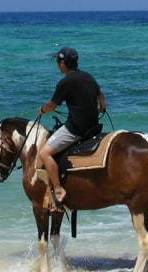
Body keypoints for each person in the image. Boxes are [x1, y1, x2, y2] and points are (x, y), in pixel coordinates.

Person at [36, 46, 107, 212]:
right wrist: (101, 107)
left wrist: (42, 110)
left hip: (76, 128)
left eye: (57, 61)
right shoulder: (87, 76)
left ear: (63, 63)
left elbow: (53, 105)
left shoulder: (65, 82)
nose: (57, 64)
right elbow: (101, 97)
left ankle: (59, 190)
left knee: (44, 153)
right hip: (93, 126)